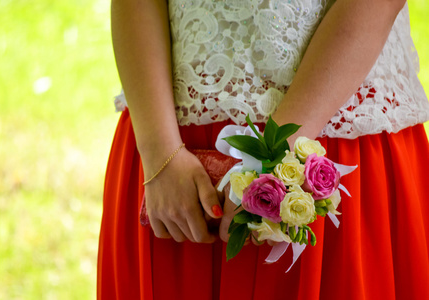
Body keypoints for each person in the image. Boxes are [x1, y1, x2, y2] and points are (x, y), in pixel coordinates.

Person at [98, 0, 429, 299]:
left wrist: (273, 154)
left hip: (325, 131)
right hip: (171, 153)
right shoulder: (165, 153)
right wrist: (160, 152)